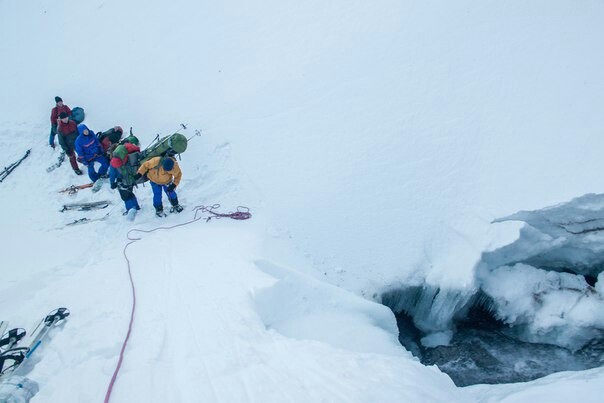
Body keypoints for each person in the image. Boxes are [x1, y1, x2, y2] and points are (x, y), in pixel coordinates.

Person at [109, 142, 141, 216]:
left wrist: (112, 182)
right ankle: (136, 207)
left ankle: (130, 210)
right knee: (130, 193)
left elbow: (112, 173)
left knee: (125, 196)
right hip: (131, 179)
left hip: (122, 181)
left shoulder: (114, 161)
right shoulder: (127, 156)